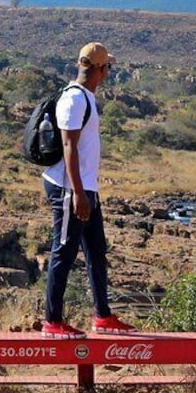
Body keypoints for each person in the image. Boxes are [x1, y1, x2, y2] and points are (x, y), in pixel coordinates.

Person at [40, 42, 138, 339]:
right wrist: (78, 194)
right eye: (107, 66)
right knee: (64, 252)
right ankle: (52, 322)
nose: (109, 71)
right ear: (99, 69)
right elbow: (69, 146)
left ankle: (103, 317)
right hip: (71, 189)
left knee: (96, 251)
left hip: (85, 188)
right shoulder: (75, 100)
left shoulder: (85, 98)